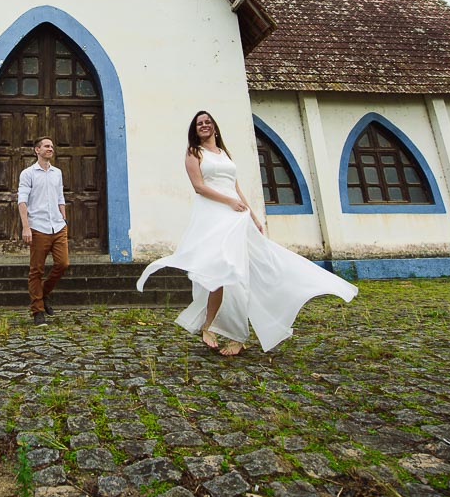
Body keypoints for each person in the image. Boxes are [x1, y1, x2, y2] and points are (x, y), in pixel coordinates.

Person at [137, 110, 358, 355]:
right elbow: (199, 187)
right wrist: (229, 202)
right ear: (195, 130)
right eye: (199, 123)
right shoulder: (194, 153)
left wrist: (252, 216)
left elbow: (236, 188)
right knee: (219, 272)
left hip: (237, 217)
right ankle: (209, 326)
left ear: (215, 127)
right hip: (214, 216)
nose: (204, 125)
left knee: (245, 272)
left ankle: (238, 336)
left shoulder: (224, 154)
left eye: (208, 122)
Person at [18, 136, 69, 327]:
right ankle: (37, 310)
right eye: (47, 146)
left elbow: (60, 197)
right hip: (38, 227)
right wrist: (26, 227)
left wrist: (64, 219)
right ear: (37, 150)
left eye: (52, 146)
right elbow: (22, 201)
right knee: (36, 270)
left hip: (58, 226)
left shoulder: (57, 173)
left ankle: (43, 293)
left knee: (63, 264)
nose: (51, 149)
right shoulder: (28, 174)